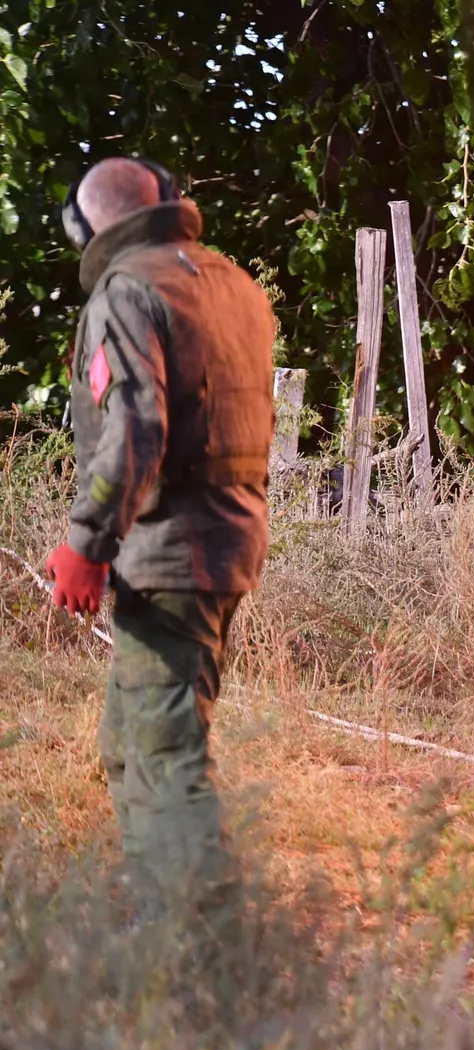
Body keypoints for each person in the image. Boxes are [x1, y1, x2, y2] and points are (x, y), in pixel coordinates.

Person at [43, 157, 276, 914]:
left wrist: (88, 544)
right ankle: (160, 916)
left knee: (167, 755)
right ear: (170, 200)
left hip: (172, 548)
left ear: (87, 229)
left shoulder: (128, 290)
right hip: (229, 539)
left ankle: (204, 951)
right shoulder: (230, 283)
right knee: (128, 739)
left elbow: (137, 427)